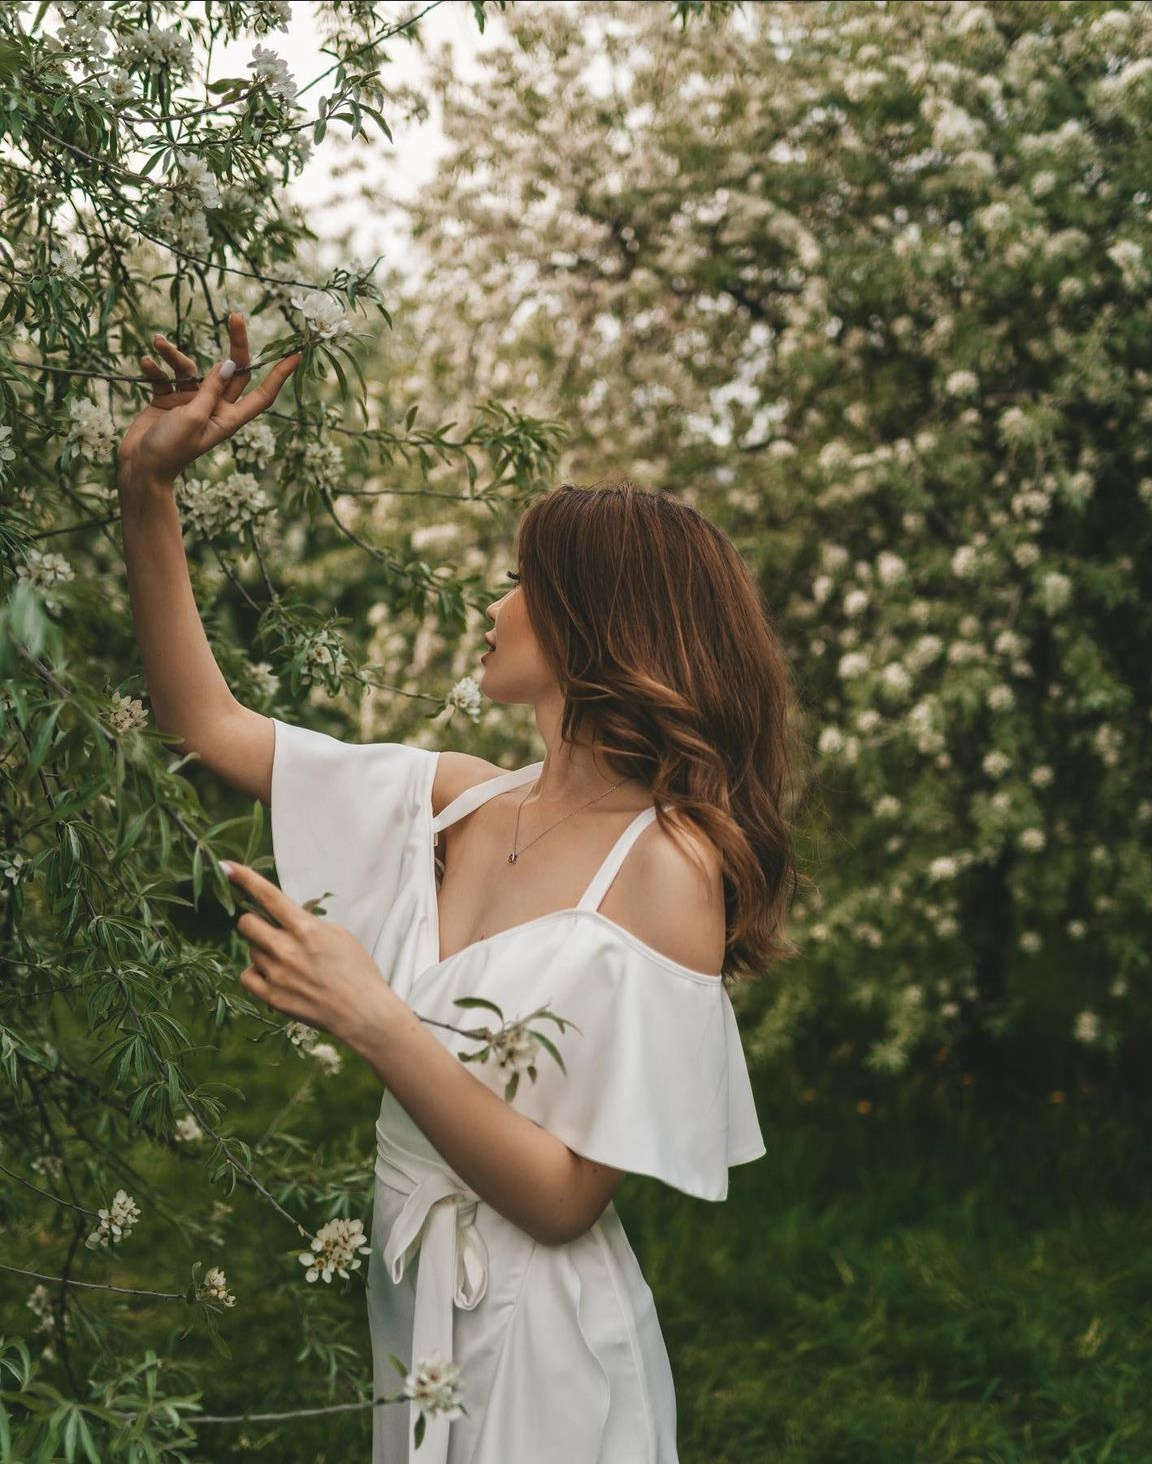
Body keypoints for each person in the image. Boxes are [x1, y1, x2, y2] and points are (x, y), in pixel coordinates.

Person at [117, 314, 806, 1463]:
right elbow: (204, 728)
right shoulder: (459, 800)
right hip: (417, 1322)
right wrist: (147, 485)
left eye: (518, 580)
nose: (489, 606)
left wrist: (372, 1017)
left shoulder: (670, 865)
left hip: (545, 1357)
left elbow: (562, 1200)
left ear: (593, 620)